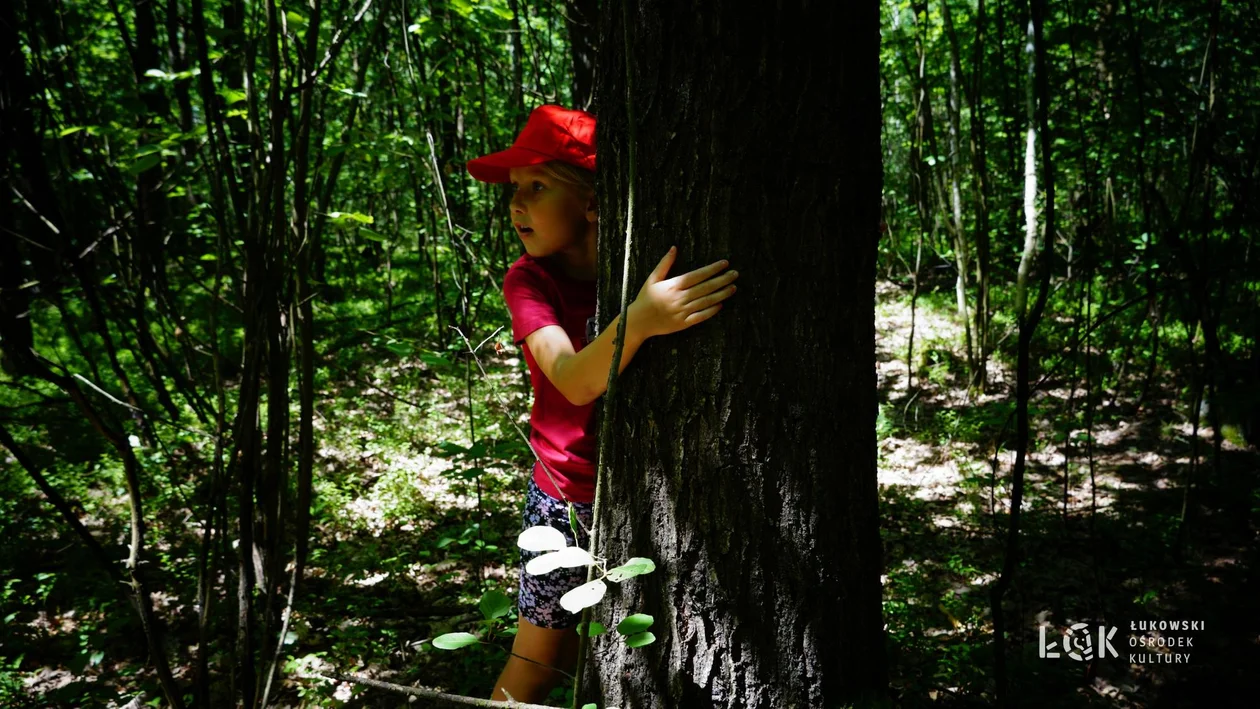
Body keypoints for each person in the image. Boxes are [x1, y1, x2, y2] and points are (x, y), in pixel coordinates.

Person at [466, 104, 739, 703]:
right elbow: (571, 378)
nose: (517, 206)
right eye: (515, 190)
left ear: (592, 200)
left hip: (653, 494)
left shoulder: (634, 264)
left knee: (630, 652)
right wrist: (641, 319)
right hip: (567, 496)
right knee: (538, 661)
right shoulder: (529, 281)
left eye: (538, 187)